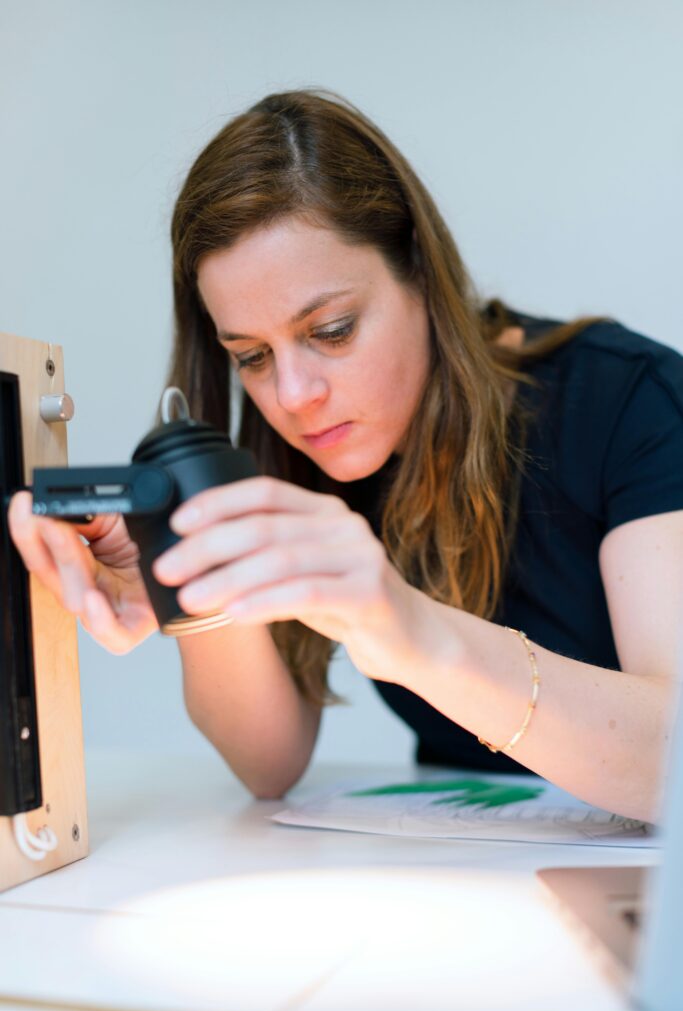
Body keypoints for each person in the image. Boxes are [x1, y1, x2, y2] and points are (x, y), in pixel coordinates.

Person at [9, 90, 683, 823]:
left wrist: (411, 628)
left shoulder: (627, 402)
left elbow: (669, 763)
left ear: (422, 278)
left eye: (330, 330)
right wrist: (193, 588)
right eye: (252, 356)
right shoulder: (295, 455)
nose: (293, 395)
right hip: (473, 854)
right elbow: (269, 762)